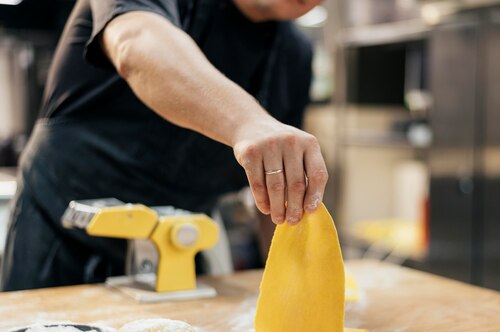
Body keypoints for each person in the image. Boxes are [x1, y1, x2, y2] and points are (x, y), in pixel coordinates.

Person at [0, 0, 328, 291]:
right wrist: (247, 122)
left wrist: (295, 282)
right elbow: (135, 40)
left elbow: (281, 189)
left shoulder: (295, 55)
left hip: (179, 255)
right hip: (62, 236)